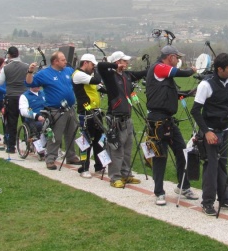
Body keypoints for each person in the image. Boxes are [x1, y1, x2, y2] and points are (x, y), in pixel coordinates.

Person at [145, 45, 198, 206]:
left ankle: (184, 186)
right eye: (177, 57)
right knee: (160, 157)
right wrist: (192, 70)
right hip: (157, 120)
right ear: (170, 57)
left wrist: (189, 93)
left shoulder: (164, 73)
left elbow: (172, 94)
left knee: (182, 152)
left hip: (168, 120)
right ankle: (159, 192)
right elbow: (181, 72)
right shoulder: (159, 68)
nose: (179, 60)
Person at [191, 53, 228, 215]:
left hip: (225, 129)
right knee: (211, 167)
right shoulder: (206, 85)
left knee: (222, 165)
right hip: (210, 132)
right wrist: (206, 132)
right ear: (220, 69)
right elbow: (195, 111)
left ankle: (225, 199)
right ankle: (207, 202)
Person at [97, 51, 147, 188]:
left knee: (127, 149)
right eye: (124, 61)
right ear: (118, 62)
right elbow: (100, 66)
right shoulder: (110, 76)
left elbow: (142, 73)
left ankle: (126, 175)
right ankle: (115, 177)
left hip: (127, 118)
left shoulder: (127, 75)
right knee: (116, 149)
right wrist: (114, 67)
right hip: (115, 118)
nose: (127, 63)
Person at [26, 51, 79, 170]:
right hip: (56, 110)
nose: (66, 62)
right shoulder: (44, 74)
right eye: (63, 60)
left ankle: (71, 156)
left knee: (71, 133)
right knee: (56, 136)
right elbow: (29, 82)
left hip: (70, 108)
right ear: (55, 61)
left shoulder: (69, 71)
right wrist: (30, 72)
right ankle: (50, 159)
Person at [72, 53, 105, 178]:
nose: (93, 68)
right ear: (85, 63)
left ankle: (99, 166)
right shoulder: (78, 75)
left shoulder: (86, 76)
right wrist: (98, 70)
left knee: (99, 140)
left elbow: (98, 87)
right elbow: (97, 80)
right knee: (86, 142)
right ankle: (85, 167)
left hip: (95, 111)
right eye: (92, 65)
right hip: (86, 113)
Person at [0, 46, 29, 154]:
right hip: (24, 96)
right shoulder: (26, 66)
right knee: (27, 121)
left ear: (9, 55)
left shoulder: (6, 68)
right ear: (18, 53)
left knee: (12, 122)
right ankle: (30, 144)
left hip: (11, 97)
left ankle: (11, 146)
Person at [19, 85, 47, 158]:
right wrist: (36, 116)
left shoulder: (43, 93)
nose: (38, 86)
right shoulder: (25, 96)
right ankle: (40, 149)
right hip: (32, 119)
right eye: (35, 84)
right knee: (39, 126)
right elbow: (25, 110)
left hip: (45, 117)